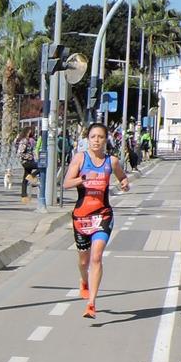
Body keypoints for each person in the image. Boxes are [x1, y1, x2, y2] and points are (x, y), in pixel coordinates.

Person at [62, 120, 130, 319]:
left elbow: (122, 178)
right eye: (93, 137)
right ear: (88, 139)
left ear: (105, 140)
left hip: (103, 215)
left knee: (96, 257)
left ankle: (91, 303)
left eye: (100, 137)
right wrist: (84, 178)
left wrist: (125, 184)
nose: (97, 140)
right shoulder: (80, 159)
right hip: (81, 217)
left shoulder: (112, 161)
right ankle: (84, 281)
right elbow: (66, 183)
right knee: (83, 261)